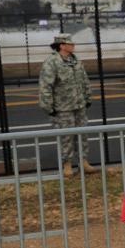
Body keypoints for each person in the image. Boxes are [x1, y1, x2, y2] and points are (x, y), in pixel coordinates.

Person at [39, 33, 95, 177]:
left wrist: (88, 96)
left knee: (82, 134)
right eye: (70, 44)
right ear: (61, 46)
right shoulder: (52, 62)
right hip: (63, 107)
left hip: (79, 105)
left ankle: (83, 161)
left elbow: (84, 80)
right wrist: (48, 107)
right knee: (66, 137)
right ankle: (67, 164)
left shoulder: (75, 61)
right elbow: (45, 86)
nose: (73, 46)